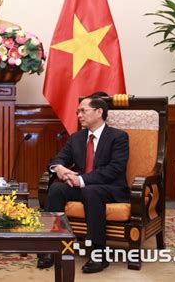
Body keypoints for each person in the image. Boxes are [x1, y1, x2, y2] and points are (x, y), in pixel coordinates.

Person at [37, 94, 130, 274]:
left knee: (91, 192)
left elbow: (115, 169)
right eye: (77, 111)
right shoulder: (77, 138)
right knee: (56, 188)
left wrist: (81, 180)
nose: (79, 115)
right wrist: (59, 168)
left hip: (110, 188)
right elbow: (59, 158)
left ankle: (98, 252)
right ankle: (51, 246)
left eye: (83, 111)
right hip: (83, 186)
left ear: (99, 112)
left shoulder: (118, 137)